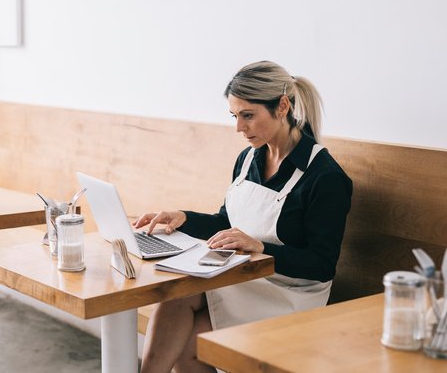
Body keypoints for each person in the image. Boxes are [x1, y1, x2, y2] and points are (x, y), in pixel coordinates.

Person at [133, 60, 352, 373]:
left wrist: (261, 248)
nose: (239, 127)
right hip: (244, 279)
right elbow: (226, 223)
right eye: (235, 116)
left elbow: (321, 264)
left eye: (248, 115)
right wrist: (183, 217)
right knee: (177, 299)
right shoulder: (249, 158)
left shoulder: (325, 177)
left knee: (191, 343)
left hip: (288, 296)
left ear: (282, 106)